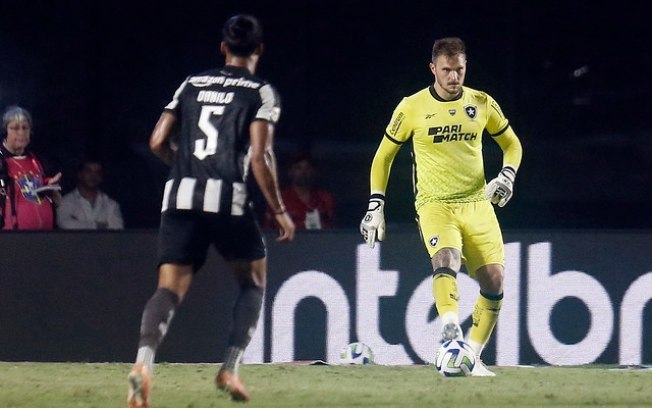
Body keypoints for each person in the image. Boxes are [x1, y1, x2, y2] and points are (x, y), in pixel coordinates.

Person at [127, 14, 295, 407]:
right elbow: (260, 155)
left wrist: (185, 167)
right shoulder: (260, 91)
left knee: (168, 289)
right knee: (253, 281)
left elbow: (155, 141)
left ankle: (142, 364)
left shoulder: (192, 83)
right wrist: (280, 209)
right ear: (259, 50)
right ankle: (229, 368)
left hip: (179, 196)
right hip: (227, 197)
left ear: (223, 48)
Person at [359, 37, 523, 376]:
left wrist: (507, 175)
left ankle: (471, 357)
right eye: (446, 70)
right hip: (435, 204)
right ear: (433, 68)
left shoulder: (482, 103)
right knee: (445, 258)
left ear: (466, 68)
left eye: (459, 70)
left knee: (495, 281)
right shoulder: (412, 108)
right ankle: (451, 331)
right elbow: (383, 157)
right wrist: (376, 204)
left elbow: (512, 144)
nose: (453, 77)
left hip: (477, 203)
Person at [0, 106, 62, 230]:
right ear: (4, 131)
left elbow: (58, 203)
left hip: (44, 237)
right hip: (12, 240)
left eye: (25, 128)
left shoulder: (37, 160)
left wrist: (52, 189)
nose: (21, 132)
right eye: (15, 128)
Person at [265, 153, 335, 229]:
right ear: (290, 172)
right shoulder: (278, 199)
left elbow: (333, 229)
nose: (303, 172)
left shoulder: (325, 198)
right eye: (298, 168)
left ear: (314, 172)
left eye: (307, 168)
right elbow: (268, 229)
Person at [56, 159, 124, 229]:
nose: (93, 176)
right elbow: (64, 224)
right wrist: (98, 226)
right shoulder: (65, 201)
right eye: (88, 171)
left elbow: (117, 231)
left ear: (101, 177)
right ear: (80, 174)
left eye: (97, 172)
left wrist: (79, 224)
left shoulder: (112, 205)